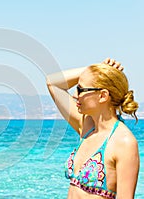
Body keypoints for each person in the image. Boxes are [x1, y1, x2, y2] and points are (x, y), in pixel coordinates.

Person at [46, 58, 139, 199]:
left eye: (80, 90)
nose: (75, 95)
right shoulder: (87, 127)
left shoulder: (123, 142)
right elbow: (52, 82)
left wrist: (96, 72)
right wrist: (97, 69)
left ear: (103, 95)